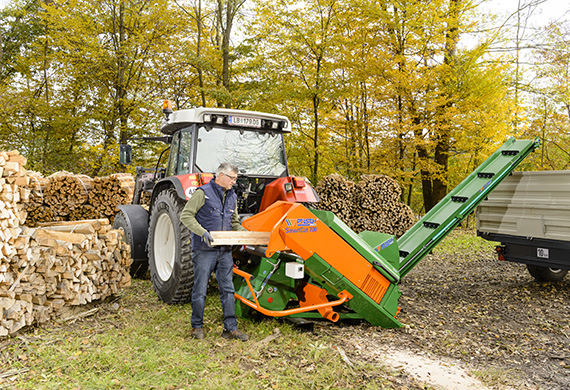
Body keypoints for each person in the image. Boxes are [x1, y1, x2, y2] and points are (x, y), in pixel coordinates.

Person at [180, 162, 249, 341]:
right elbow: (186, 215)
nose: (234, 181)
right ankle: (196, 327)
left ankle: (230, 329)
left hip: (225, 251)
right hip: (204, 250)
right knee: (200, 289)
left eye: (236, 178)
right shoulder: (202, 193)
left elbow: (233, 222)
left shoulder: (232, 196)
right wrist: (203, 233)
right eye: (232, 178)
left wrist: (245, 234)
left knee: (228, 290)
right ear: (221, 176)